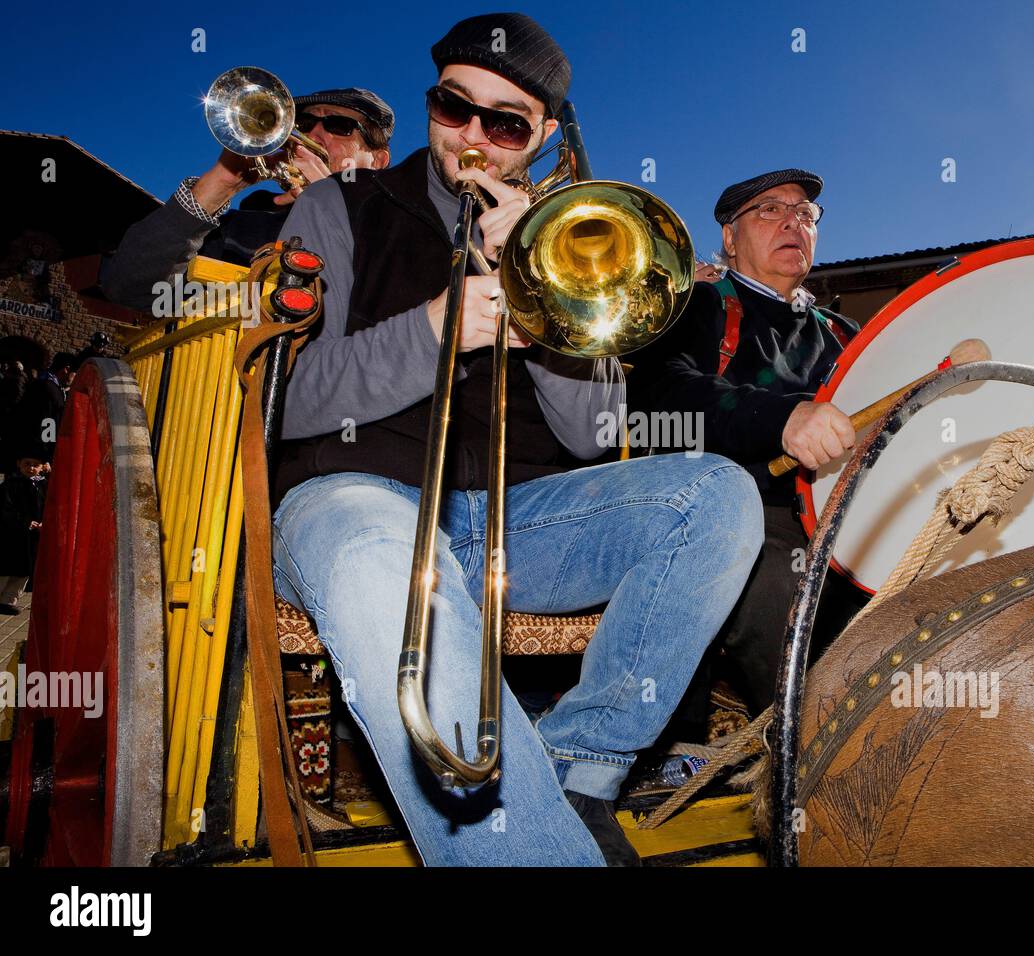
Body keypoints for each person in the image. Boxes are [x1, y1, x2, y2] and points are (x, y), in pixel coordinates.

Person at [270, 13, 763, 866]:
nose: (472, 140)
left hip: (516, 517)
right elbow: (292, 402)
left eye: (503, 125)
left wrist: (537, 297)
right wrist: (438, 327)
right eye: (453, 108)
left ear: (539, 141)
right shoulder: (337, 207)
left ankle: (580, 766)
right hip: (354, 493)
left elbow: (597, 435)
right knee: (384, 567)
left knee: (716, 494)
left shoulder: (562, 233)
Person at [629, 169, 867, 741]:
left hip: (842, 515)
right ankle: (822, 757)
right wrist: (779, 419)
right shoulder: (698, 306)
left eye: (805, 214)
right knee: (772, 579)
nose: (793, 222)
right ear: (730, 240)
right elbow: (654, 403)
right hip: (744, 507)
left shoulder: (843, 332)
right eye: (769, 210)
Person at [99, 87, 394, 311]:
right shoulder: (237, 230)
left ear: (377, 160)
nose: (313, 135)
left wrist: (332, 216)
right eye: (303, 123)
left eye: (338, 125)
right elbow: (128, 288)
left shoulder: (397, 236)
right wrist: (218, 185)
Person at [0, 450, 48, 615]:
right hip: (11, 535)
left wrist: (44, 522)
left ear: (42, 467)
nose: (31, 468)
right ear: (19, 463)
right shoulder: (10, 484)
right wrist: (25, 521)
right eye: (27, 464)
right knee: (5, 570)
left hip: (32, 537)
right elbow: (5, 509)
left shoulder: (43, 484)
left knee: (24, 572)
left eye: (36, 465)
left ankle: (8, 601)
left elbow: (50, 506)